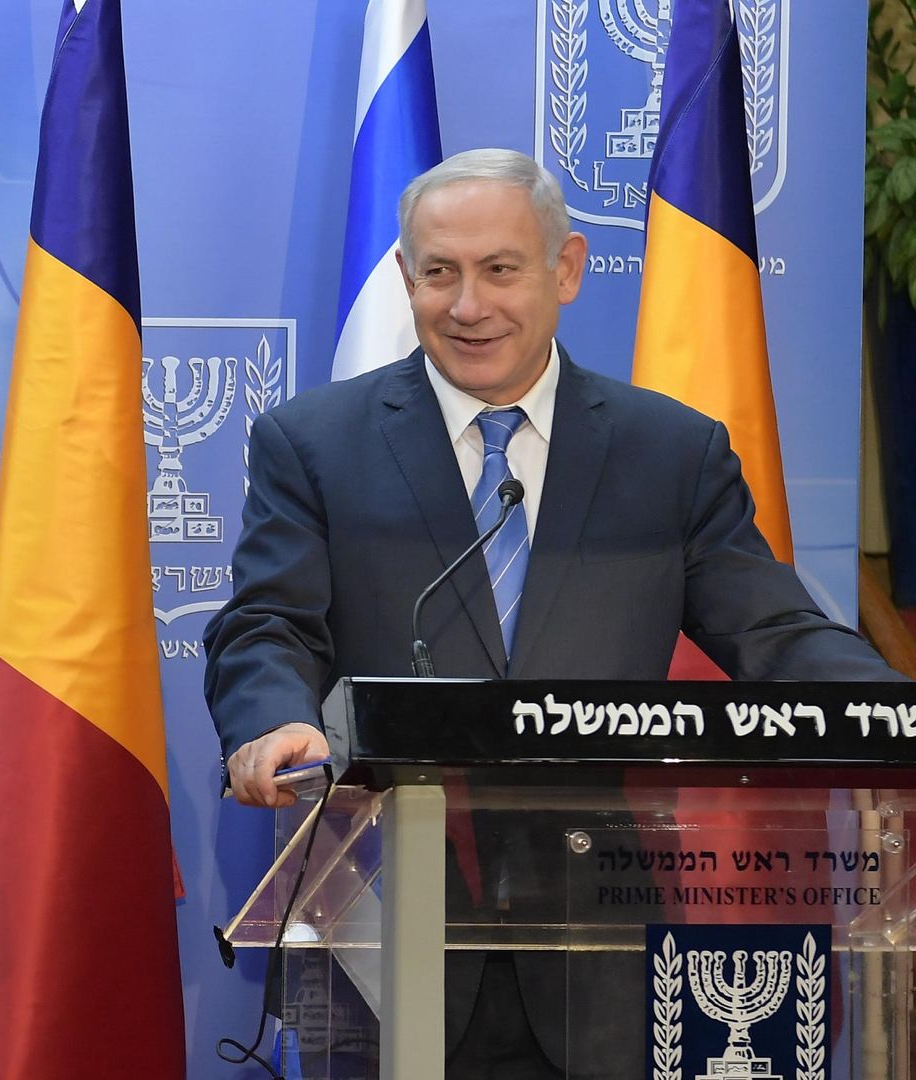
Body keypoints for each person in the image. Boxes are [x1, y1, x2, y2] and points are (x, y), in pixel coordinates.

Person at [202, 148, 901, 1078]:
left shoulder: (670, 453)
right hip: (382, 928)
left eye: (500, 269)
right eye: (440, 272)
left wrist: (897, 716)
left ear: (566, 269)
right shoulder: (314, 443)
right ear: (406, 277)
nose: (468, 305)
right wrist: (272, 721)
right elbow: (267, 626)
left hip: (597, 943)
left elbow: (776, 634)